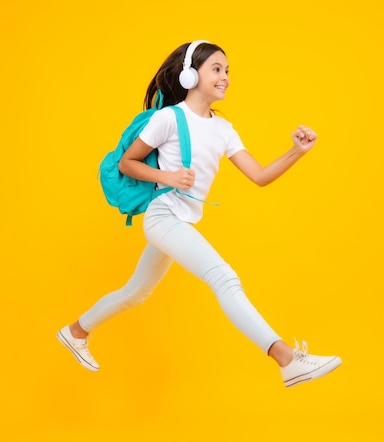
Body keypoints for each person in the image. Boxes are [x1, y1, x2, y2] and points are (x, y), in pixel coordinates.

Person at [57, 40, 341, 388]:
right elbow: (127, 163)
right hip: (163, 216)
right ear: (192, 75)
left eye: (227, 71)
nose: (225, 78)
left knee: (136, 292)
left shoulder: (223, 129)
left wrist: (296, 151)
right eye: (217, 69)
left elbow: (260, 176)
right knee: (224, 278)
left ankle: (76, 331)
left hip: (183, 220)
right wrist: (167, 177)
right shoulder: (168, 119)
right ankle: (286, 360)